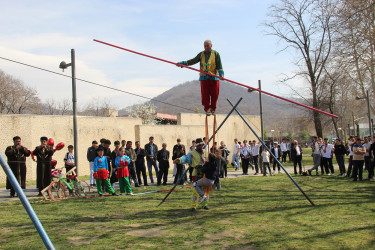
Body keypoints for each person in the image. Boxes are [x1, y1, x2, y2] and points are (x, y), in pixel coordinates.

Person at [177, 40, 224, 115]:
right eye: (204, 46)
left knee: (215, 94)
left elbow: (219, 66)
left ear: (211, 45)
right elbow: (193, 61)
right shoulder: (201, 54)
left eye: (207, 46)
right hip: (204, 78)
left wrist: (221, 74)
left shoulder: (216, 54)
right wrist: (183, 63)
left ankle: (213, 109)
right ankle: (207, 109)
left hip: (214, 77)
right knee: (205, 94)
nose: (206, 47)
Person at [174, 138, 208, 211]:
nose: (201, 147)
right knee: (196, 190)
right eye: (199, 145)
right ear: (196, 146)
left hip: (204, 173)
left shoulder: (205, 152)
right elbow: (185, 158)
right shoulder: (192, 153)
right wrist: (179, 160)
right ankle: (194, 205)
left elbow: (210, 160)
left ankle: (204, 204)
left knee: (205, 189)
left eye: (201, 145)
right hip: (196, 173)